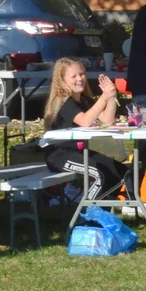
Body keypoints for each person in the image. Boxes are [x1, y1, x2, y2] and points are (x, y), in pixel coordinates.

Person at [41, 57, 128, 199]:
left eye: (82, 74)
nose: (80, 79)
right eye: (73, 76)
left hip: (80, 152)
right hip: (60, 156)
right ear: (62, 80)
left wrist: (111, 96)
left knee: (119, 170)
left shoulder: (84, 99)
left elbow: (107, 120)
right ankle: (88, 212)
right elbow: (85, 121)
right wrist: (104, 98)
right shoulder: (64, 101)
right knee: (101, 173)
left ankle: (103, 211)